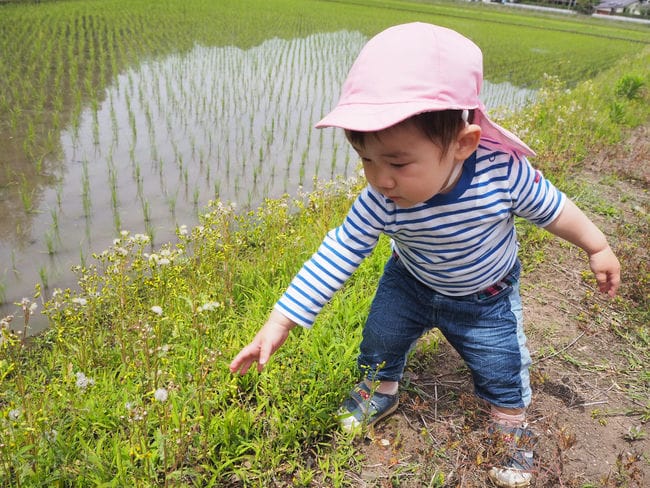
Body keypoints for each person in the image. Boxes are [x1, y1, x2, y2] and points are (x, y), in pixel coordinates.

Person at [229, 22, 620, 487]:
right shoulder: (379, 200)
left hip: (485, 298)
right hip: (410, 283)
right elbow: (338, 253)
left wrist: (597, 245)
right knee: (380, 341)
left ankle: (510, 428)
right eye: (366, 159)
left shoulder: (503, 175)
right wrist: (280, 322)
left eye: (396, 162)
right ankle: (380, 389)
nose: (380, 179)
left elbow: (555, 211)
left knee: (501, 366)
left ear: (463, 143)